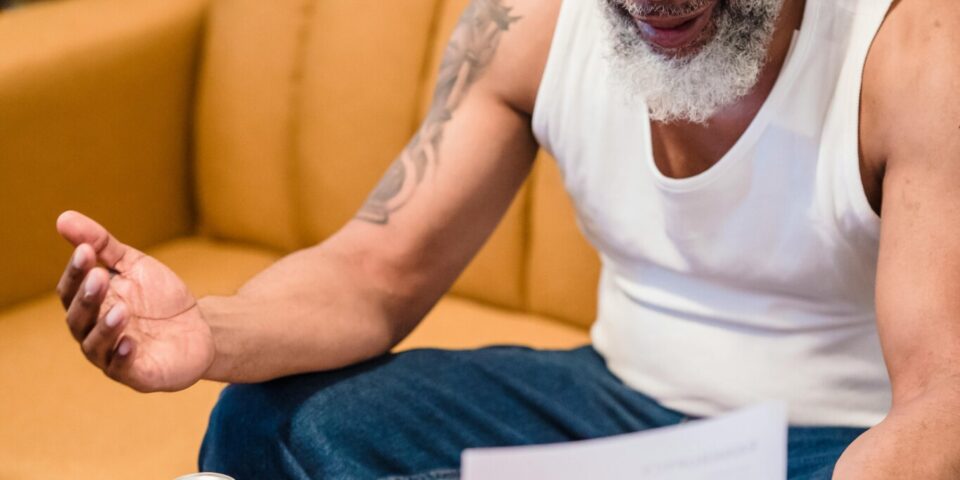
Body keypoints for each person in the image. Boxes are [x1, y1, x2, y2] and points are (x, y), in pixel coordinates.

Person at [54, 0, 960, 478]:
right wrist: (206, 330)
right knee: (271, 422)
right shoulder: (533, 24)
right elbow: (375, 271)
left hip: (832, 447)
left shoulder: (913, 48)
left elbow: (940, 399)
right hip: (613, 406)